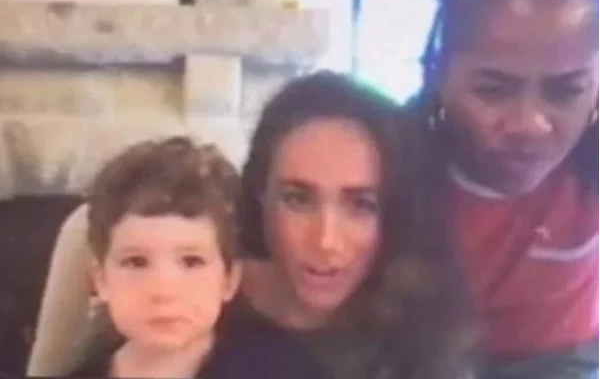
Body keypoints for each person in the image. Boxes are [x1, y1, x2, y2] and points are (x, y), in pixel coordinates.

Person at [27, 72, 475, 379]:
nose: (325, 240)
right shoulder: (173, 283)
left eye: (361, 204)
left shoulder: (418, 327)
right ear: (259, 193)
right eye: (297, 198)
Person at [414, 0, 599, 377]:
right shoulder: (384, 173)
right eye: (493, 91)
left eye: (565, 92)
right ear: (439, 74)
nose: (530, 125)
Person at [67, 137, 325, 378]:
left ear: (228, 280)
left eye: (191, 262)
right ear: (101, 280)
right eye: (136, 262)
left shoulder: (283, 368)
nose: (164, 290)